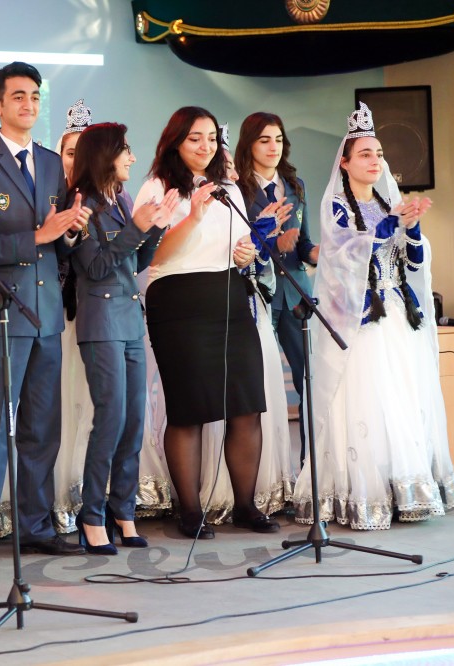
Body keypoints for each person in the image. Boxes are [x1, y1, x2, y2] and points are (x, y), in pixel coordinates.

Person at [293, 102, 454, 530]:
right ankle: (365, 496)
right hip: (359, 318)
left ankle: (404, 489)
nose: (375, 160)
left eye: (379, 154)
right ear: (345, 162)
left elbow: (413, 260)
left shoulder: (391, 200)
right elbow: (344, 255)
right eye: (366, 153)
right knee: (368, 400)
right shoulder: (337, 206)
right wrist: (388, 224)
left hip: (396, 312)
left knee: (401, 397)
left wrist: (414, 230)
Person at [0, 61, 91, 570]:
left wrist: (72, 230)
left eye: (34, 96)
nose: (28, 104)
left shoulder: (54, 163)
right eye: (17, 96)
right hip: (0, 311)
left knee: (41, 425)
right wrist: (41, 236)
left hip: (46, 314)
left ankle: (34, 525)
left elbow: (62, 241)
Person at [133, 106, 277, 539]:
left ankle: (247, 506)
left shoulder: (228, 186)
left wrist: (245, 252)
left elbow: (235, 242)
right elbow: (151, 255)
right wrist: (192, 215)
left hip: (229, 297)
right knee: (190, 410)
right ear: (176, 140)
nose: (206, 146)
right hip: (178, 302)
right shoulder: (157, 188)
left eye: (212, 138)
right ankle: (190, 511)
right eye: (196, 138)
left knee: (247, 405)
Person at [68, 123, 176, 553]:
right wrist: (137, 226)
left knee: (134, 422)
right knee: (110, 418)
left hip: (129, 319)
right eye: (125, 150)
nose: (132, 158)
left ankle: (123, 510)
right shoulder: (82, 203)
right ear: (105, 155)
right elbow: (94, 267)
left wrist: (156, 227)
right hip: (101, 322)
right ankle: (92, 515)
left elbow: (136, 261)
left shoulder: (123, 199)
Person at [197, 123, 295, 522]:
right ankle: (213, 493)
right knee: (215, 400)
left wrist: (267, 241)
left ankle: (257, 493)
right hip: (210, 302)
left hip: (253, 297)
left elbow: (251, 247)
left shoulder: (243, 192)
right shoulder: (199, 196)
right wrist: (263, 233)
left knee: (258, 396)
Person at [234, 112, 318, 465]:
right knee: (260, 380)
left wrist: (332, 252)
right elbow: (236, 245)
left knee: (309, 378)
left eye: (278, 139)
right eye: (264, 140)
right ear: (249, 144)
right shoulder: (237, 188)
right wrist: (272, 243)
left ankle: (310, 470)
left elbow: (304, 246)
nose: (272, 147)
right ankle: (267, 469)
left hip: (296, 291)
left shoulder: (295, 186)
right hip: (258, 292)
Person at [54, 97, 96, 533]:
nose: (77, 161)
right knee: (63, 401)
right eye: (70, 152)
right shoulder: (52, 199)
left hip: (98, 317)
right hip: (61, 317)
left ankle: (93, 491)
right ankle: (61, 490)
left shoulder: (110, 200)